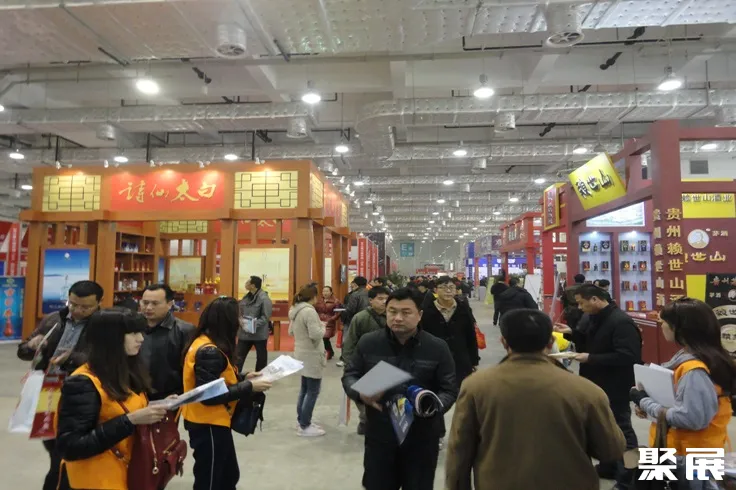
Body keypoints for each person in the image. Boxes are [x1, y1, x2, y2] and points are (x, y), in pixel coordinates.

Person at [445, 309, 626, 490]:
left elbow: (459, 450)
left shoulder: (475, 387)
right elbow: (611, 450)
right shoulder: (586, 391)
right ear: (551, 341)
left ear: (504, 342)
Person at [342, 288, 458, 490]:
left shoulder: (437, 347)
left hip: (422, 436)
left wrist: (431, 407)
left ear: (419, 315)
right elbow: (350, 375)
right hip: (380, 434)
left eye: (406, 312)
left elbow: (449, 389)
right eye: (392, 311)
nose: (397, 318)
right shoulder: (369, 343)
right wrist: (360, 393)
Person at [55, 308, 168, 490]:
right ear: (110, 338)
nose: (141, 338)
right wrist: (129, 421)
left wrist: (158, 406)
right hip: (96, 480)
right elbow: (71, 446)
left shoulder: (125, 372)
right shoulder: (83, 383)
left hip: (128, 475)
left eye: (140, 332)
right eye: (132, 333)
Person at [630, 298, 735, 489]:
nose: (661, 326)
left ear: (679, 328)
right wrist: (650, 409)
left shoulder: (695, 370)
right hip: (681, 450)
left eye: (664, 322)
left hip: (690, 457)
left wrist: (645, 402)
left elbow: (692, 418)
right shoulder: (699, 357)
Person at [16, 280, 103, 490]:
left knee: (67, 452)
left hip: (82, 393)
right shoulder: (53, 320)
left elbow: (106, 360)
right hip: (48, 391)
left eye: (85, 307)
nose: (77, 310)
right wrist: (31, 346)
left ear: (98, 303)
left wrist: (72, 358)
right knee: (53, 445)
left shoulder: (104, 325)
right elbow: (23, 352)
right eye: (73, 304)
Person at [554, 284, 642, 489]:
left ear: (595, 299)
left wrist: (591, 358)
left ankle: (630, 477)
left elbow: (628, 355)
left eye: (582, 303)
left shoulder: (621, 322)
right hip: (596, 382)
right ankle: (609, 466)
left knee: (622, 429)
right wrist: (571, 333)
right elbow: (589, 339)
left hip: (616, 385)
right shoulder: (593, 317)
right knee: (602, 427)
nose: (579, 307)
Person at [182, 297, 272, 490]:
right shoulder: (209, 351)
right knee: (211, 480)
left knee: (228, 474)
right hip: (207, 423)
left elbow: (217, 377)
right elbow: (210, 396)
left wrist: (243, 377)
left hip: (214, 421)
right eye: (238, 316)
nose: (240, 321)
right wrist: (249, 387)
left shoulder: (206, 343)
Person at [341, 286, 390, 435]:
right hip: (364, 365)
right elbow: (350, 342)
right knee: (363, 397)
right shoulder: (360, 318)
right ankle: (365, 421)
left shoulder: (392, 317)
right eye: (380, 299)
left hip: (386, 365)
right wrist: (349, 363)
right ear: (370, 300)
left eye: (386, 299)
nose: (384, 302)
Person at [138, 283, 195, 400]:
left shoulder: (184, 330)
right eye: (145, 302)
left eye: (155, 303)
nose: (148, 308)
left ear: (169, 304)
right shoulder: (133, 327)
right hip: (137, 395)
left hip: (172, 397)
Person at [421, 276, 479, 387]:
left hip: (461, 358)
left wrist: (474, 360)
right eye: (443, 287)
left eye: (451, 287)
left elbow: (471, 335)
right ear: (435, 290)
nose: (448, 291)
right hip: (434, 359)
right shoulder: (426, 310)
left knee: (461, 390)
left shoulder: (463, 308)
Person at [289, 284, 328, 437]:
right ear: (313, 296)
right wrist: (323, 326)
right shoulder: (309, 312)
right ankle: (305, 425)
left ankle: (301, 420)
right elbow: (315, 334)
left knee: (305, 389)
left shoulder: (295, 310)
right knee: (312, 391)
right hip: (312, 354)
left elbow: (290, 331)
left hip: (300, 352)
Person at [237, 275, 273, 372]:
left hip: (259, 334)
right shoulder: (245, 298)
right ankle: (235, 375)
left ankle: (260, 377)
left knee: (261, 359)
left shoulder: (264, 299)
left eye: (247, 283)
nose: (245, 284)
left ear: (253, 285)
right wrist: (240, 320)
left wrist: (252, 324)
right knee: (238, 357)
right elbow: (240, 311)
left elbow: (265, 317)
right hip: (244, 334)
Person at [314, 285, 341, 361]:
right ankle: (329, 352)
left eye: (327, 291)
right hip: (319, 322)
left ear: (331, 292)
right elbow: (315, 310)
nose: (325, 293)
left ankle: (329, 352)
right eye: (323, 291)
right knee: (322, 338)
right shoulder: (319, 301)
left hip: (329, 323)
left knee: (325, 338)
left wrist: (331, 319)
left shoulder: (336, 301)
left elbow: (338, 313)